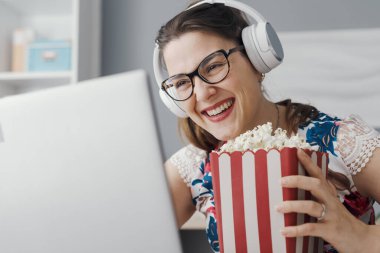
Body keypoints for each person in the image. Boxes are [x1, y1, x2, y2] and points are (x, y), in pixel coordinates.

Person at [153, 1, 380, 252]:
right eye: (182, 82)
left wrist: (360, 235)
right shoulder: (193, 167)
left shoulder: (342, 141)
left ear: (256, 59)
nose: (203, 93)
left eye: (214, 66)